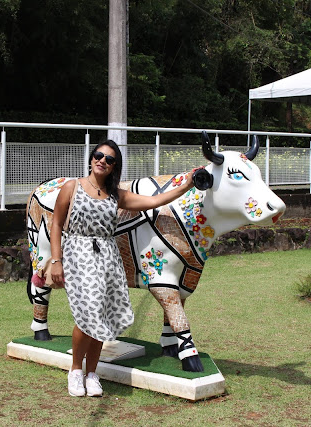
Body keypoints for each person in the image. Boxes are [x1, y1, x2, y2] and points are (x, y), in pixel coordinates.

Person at [49, 139, 197, 397]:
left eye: (109, 159)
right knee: (89, 310)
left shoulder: (116, 195)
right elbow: (56, 224)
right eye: (99, 155)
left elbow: (156, 200)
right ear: (91, 158)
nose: (102, 161)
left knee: (102, 316)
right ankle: (75, 370)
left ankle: (92, 373)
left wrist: (187, 185)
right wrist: (55, 260)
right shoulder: (72, 187)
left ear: (114, 166)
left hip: (107, 256)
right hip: (78, 253)